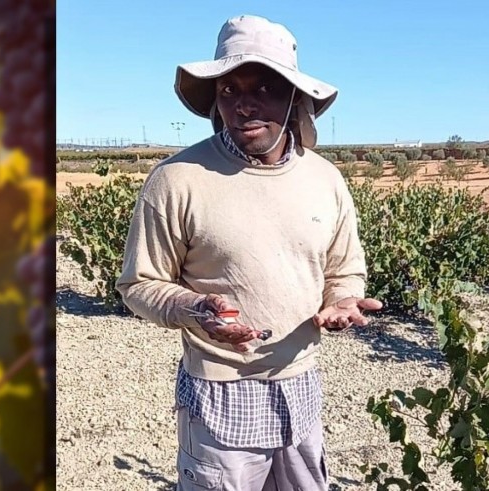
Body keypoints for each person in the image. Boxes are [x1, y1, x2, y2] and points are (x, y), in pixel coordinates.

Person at [116, 14, 382, 491]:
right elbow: (138, 284)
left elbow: (344, 269)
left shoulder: (325, 179)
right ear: (216, 100)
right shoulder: (177, 180)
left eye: (264, 88)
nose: (244, 105)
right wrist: (194, 308)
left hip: (300, 386)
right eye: (230, 90)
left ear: (295, 99)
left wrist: (342, 300)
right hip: (219, 392)